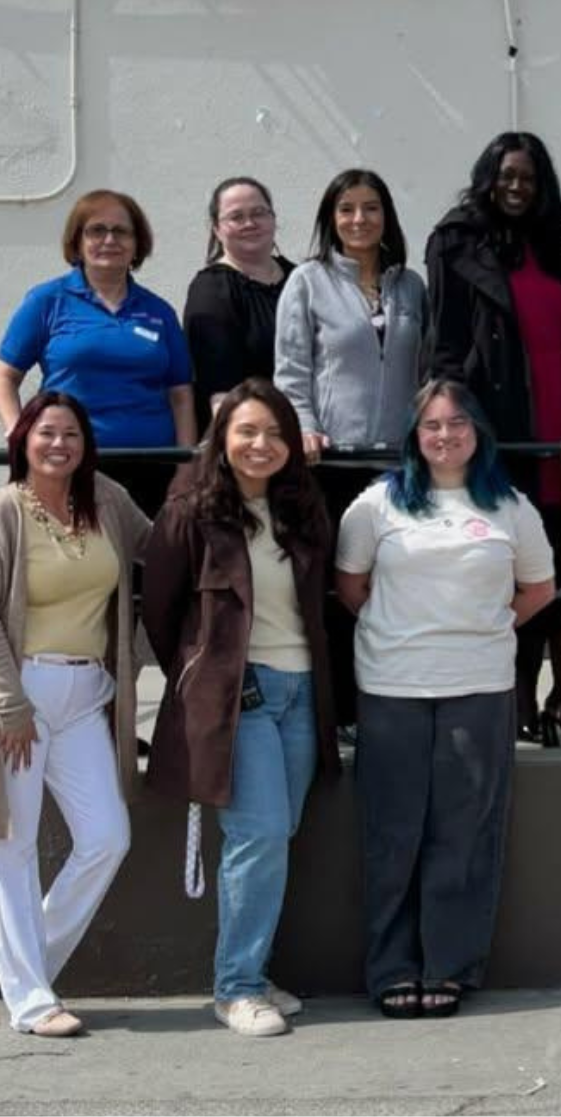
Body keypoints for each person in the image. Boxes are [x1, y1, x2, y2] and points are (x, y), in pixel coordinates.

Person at [335, 380, 553, 1019]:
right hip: (392, 688)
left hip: (479, 687)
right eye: (431, 425)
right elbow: (350, 586)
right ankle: (393, 968)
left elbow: (538, 590)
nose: (445, 435)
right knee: (393, 833)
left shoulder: (511, 507)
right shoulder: (377, 505)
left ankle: (448, 965)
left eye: (457, 423)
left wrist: (483, 626)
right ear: (414, 435)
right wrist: (398, 630)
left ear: (477, 431)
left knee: (463, 833)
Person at [142, 379, 338, 1037]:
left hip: (301, 692)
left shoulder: (302, 507)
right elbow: (161, 613)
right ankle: (237, 987)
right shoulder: (189, 509)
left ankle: (250, 969)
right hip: (241, 697)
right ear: (222, 437)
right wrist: (207, 680)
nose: (261, 444)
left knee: (273, 837)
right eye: (247, 431)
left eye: (275, 433)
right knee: (256, 836)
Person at [424, 132, 561, 751]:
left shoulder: (556, 250)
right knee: (509, 563)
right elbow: (445, 341)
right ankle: (520, 694)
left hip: (559, 423)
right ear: (488, 176)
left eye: (528, 177)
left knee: (558, 562)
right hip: (498, 423)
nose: (517, 186)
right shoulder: (455, 241)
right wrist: (454, 422)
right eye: (507, 174)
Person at [0, 392, 149, 1037]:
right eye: (46, 433)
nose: (59, 445)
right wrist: (8, 704)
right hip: (21, 695)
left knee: (107, 837)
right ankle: (31, 999)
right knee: (15, 845)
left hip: (88, 693)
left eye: (72, 435)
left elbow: (166, 548)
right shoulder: (6, 510)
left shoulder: (107, 500)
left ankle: (22, 972)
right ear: (23, 438)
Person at [0, 190, 194, 516]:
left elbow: (181, 394)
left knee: (145, 566)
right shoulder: (48, 301)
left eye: (121, 231)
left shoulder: (158, 311)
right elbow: (5, 376)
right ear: (77, 242)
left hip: (152, 468)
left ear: (136, 244)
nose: (109, 239)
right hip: (68, 467)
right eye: (96, 230)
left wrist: (186, 464)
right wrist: (20, 434)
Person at [274, 168, 427, 455]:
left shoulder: (411, 285)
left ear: (386, 216)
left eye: (371, 208)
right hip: (333, 455)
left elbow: (427, 371)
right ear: (332, 218)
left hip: (401, 457)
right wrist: (305, 427)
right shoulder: (307, 281)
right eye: (346, 209)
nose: (359, 219)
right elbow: (291, 373)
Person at [185, 177, 295, 432]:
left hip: (313, 436)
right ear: (216, 229)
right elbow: (219, 390)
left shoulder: (302, 279)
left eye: (259, 213)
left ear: (273, 219)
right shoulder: (211, 290)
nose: (250, 223)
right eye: (236, 217)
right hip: (253, 436)